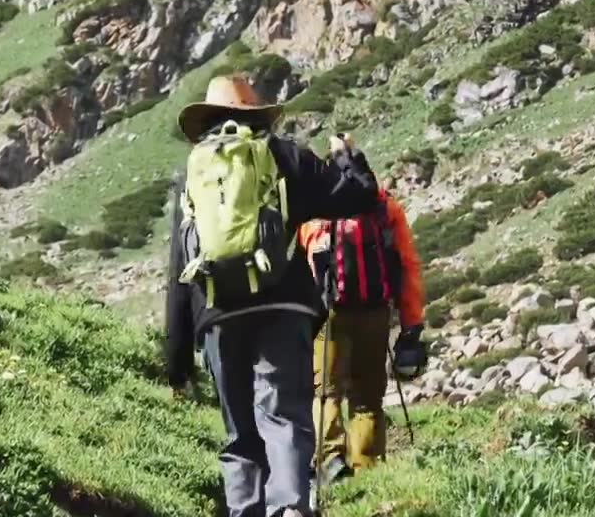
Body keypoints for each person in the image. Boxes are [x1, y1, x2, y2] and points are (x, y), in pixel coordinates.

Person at [164, 74, 380, 517]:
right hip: (285, 308)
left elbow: (179, 269)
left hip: (217, 314)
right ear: (253, 112)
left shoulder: (194, 172)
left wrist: (177, 360)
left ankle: (245, 510)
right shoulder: (285, 156)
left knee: (239, 431)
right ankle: (290, 511)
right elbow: (357, 197)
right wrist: (348, 158)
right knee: (283, 417)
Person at [298, 185, 426, 484]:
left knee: (325, 392)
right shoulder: (383, 207)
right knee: (367, 398)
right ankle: (366, 467)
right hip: (375, 311)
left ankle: (330, 460)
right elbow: (407, 264)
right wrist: (411, 321)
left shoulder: (313, 208)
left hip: (329, 314)